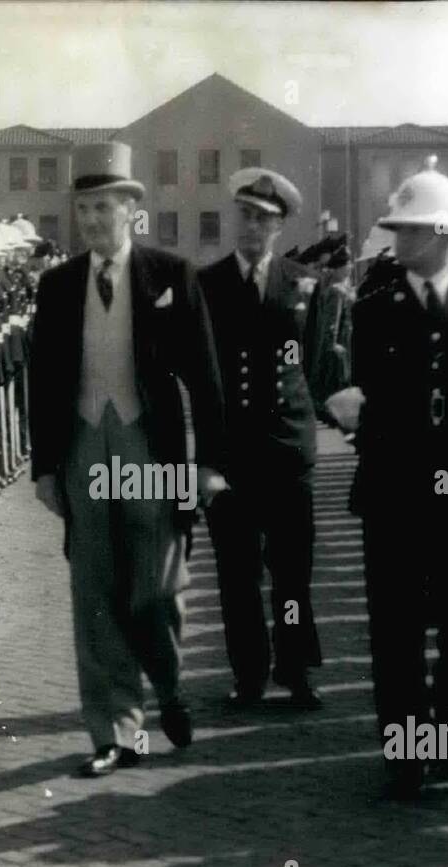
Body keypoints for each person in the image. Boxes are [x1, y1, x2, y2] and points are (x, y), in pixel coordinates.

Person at [28, 141, 228, 777]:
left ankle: (168, 684)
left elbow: (206, 376)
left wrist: (207, 465)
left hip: (151, 448)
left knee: (158, 587)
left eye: (105, 206)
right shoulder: (57, 286)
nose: (92, 219)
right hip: (86, 445)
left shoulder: (171, 275)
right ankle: (114, 731)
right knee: (94, 589)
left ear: (131, 210)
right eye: (83, 207)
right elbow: (42, 378)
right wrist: (43, 467)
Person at [348, 156, 448, 797]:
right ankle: (406, 747)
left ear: (444, 235)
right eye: (399, 230)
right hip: (396, 489)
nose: (401, 241)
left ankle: (446, 727)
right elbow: (362, 397)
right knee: (395, 627)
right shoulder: (375, 310)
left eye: (414, 230)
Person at [198, 167, 324, 711]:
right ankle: (248, 672)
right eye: (245, 216)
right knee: (238, 572)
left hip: (287, 451)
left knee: (292, 570)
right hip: (233, 453)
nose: (252, 227)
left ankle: (294, 669)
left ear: (279, 227)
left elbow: (315, 367)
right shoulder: (207, 285)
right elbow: (202, 382)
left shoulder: (303, 284)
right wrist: (205, 461)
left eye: (264, 220)